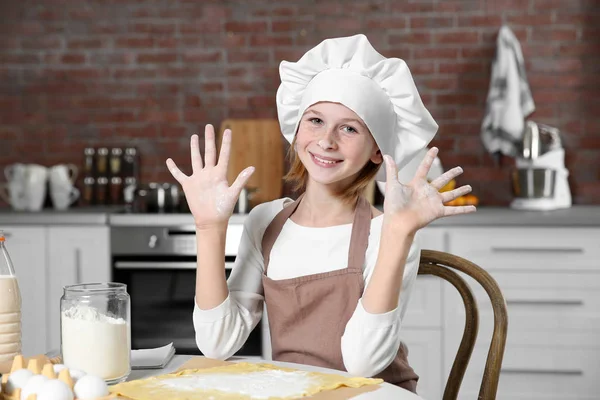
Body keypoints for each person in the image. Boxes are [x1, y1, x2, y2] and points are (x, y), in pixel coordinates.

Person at [166, 34, 476, 392]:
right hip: (298, 393)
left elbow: (363, 365)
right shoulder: (266, 223)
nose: (326, 141)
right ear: (296, 129)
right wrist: (208, 228)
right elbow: (217, 343)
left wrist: (398, 234)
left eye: (349, 128)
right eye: (315, 120)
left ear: (377, 150)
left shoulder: (387, 231)